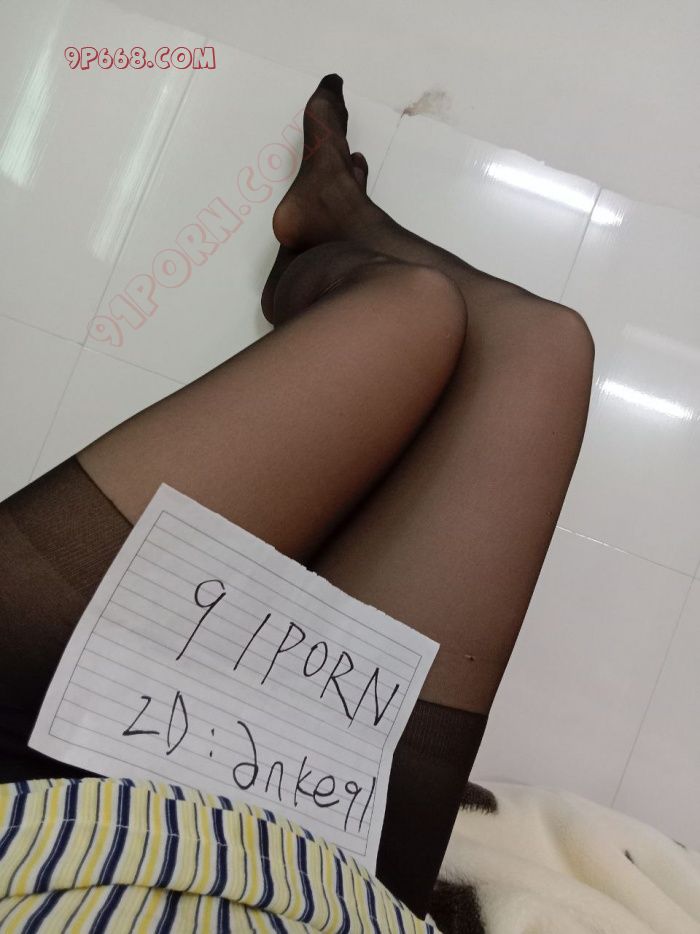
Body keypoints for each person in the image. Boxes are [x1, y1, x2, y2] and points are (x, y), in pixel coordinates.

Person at [0, 74, 594, 927]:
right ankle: (336, 231)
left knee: (414, 311)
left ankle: (334, 242)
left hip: (27, 824)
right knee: (545, 345)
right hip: (332, 880)